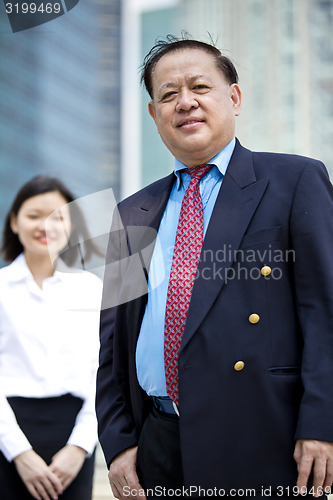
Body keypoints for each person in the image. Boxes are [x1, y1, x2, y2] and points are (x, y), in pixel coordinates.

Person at [96, 35, 333, 499]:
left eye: (200, 87)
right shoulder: (129, 213)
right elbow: (112, 347)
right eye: (168, 95)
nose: (185, 102)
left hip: (267, 435)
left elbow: (326, 313)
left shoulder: (296, 180)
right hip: (159, 443)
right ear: (154, 115)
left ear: (234, 97)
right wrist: (120, 441)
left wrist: (323, 423)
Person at [0, 176, 103, 500]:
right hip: (7, 436)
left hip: (75, 433)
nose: (46, 225)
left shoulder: (91, 289)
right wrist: (19, 452)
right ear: (15, 222)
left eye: (57, 216)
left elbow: (103, 373)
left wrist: (80, 447)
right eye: (33, 215)